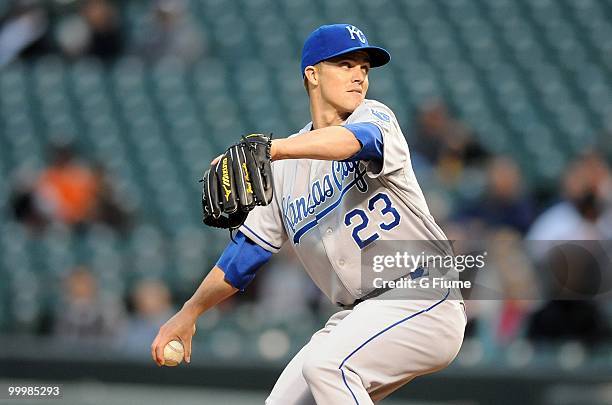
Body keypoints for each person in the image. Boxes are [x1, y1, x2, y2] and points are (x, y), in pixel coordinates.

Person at [152, 24, 466, 404]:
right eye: (346, 64)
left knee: (327, 366)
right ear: (312, 74)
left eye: (364, 68)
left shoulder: (373, 116)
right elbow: (245, 254)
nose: (359, 76)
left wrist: (273, 149)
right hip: (360, 314)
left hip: (422, 295)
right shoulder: (285, 172)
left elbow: (357, 141)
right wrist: (189, 312)